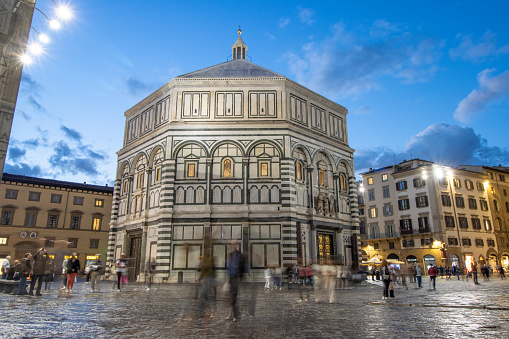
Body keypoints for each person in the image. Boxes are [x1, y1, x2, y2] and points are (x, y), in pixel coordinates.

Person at [226, 240, 244, 322]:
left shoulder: (239, 255)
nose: (232, 246)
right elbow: (228, 266)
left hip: (236, 277)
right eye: (231, 245)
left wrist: (240, 279)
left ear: (236, 245)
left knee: (233, 296)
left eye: (234, 244)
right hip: (231, 277)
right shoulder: (230, 255)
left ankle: (235, 315)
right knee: (231, 296)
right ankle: (232, 314)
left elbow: (242, 267)